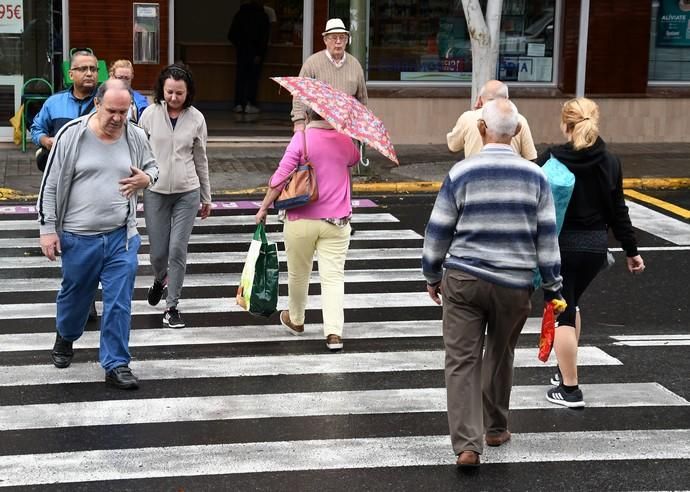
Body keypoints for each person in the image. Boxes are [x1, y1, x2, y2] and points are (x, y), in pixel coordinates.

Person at [422, 99, 564, 468]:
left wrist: (432, 273)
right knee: (500, 354)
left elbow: (438, 230)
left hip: (465, 279)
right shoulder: (536, 177)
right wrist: (553, 287)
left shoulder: (461, 173)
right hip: (514, 284)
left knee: (462, 361)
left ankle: (468, 445)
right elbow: (547, 237)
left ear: (481, 129)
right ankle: (497, 428)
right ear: (517, 132)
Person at [37, 79, 159, 390]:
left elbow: (153, 168)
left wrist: (147, 179)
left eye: (124, 111)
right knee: (75, 297)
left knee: (119, 302)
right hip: (79, 237)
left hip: (121, 235)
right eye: (112, 111)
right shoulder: (72, 135)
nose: (118, 118)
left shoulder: (135, 135)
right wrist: (48, 229)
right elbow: (49, 186)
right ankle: (66, 334)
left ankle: (116, 363)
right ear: (96, 104)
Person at [538, 97, 645, 408]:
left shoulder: (553, 158)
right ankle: (564, 371)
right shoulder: (610, 161)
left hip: (560, 248)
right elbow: (618, 211)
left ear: (565, 125)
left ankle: (570, 390)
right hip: (594, 247)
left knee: (563, 315)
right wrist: (631, 250)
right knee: (573, 305)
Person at [255, 110, 360, 352]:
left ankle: (297, 320)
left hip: (300, 217)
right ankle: (334, 333)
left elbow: (280, 178)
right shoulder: (346, 140)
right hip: (336, 221)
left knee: (298, 273)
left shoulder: (301, 139)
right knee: (333, 277)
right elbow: (353, 160)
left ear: (309, 115)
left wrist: (263, 207)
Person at [139, 63, 212, 329]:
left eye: (179, 93)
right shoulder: (148, 115)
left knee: (177, 249)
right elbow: (138, 153)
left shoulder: (196, 119)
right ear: (162, 90)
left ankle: (172, 306)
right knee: (158, 253)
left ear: (188, 93)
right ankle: (160, 278)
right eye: (169, 92)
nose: (173, 98)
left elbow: (200, 159)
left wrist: (207, 196)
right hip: (155, 191)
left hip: (187, 192)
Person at [32, 48, 100, 321]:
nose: (88, 74)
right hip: (62, 188)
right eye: (82, 69)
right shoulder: (54, 103)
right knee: (71, 246)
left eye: (93, 69)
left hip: (94, 185)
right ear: (70, 74)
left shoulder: (104, 102)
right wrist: (46, 141)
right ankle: (78, 296)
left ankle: (89, 298)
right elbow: (36, 129)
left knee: (95, 243)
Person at [291, 18, 367, 132]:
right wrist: (299, 121)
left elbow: (362, 99)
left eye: (342, 37)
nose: (338, 41)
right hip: (318, 125)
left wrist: (362, 124)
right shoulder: (312, 63)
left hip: (346, 127)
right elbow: (299, 94)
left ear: (347, 41)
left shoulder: (355, 65)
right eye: (334, 37)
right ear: (325, 40)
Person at [446, 80, 537, 160]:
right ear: (506, 98)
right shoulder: (519, 119)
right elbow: (531, 157)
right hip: (511, 176)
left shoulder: (467, 118)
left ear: (480, 99)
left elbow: (453, 148)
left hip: (474, 175)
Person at [227, 0, 270, 114]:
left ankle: (238, 104)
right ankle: (250, 103)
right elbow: (264, 38)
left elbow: (231, 34)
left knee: (240, 78)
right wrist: (259, 53)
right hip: (256, 54)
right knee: (253, 79)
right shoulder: (263, 16)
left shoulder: (240, 14)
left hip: (242, 52)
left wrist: (240, 46)